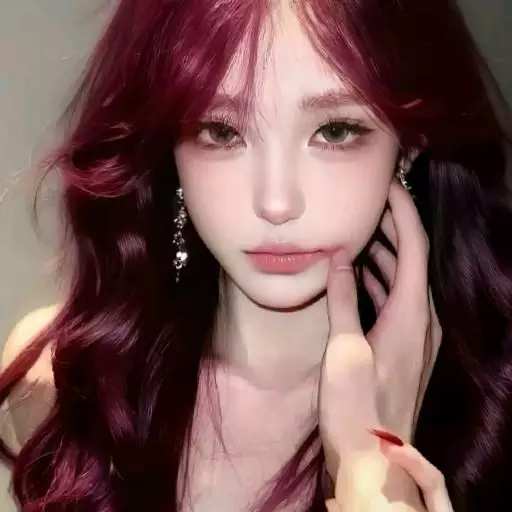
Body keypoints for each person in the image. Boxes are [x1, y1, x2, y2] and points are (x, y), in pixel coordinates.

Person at [0, 0, 511, 510]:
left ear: (409, 142)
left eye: (335, 130)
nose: (276, 203)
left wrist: (380, 472)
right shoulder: (60, 384)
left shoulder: (495, 408)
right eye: (222, 131)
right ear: (167, 145)